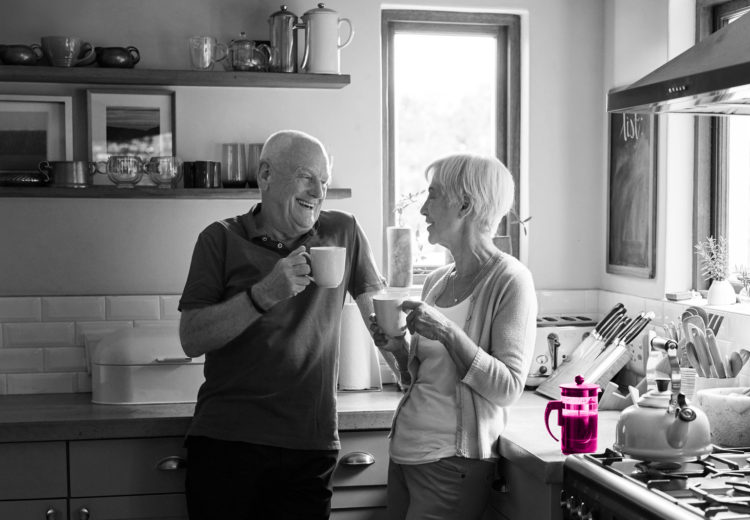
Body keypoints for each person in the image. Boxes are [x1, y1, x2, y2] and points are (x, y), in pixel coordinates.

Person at [178, 129, 386, 520]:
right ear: (266, 174)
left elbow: (379, 314)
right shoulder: (220, 239)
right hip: (227, 442)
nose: (318, 192)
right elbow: (191, 338)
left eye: (324, 182)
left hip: (310, 443)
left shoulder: (344, 232)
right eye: (307, 177)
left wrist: (401, 340)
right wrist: (264, 294)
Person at [372, 153, 537, 520]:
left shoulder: (510, 280)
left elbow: (508, 387)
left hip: (451, 464)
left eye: (433, 196)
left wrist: (448, 332)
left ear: (464, 204)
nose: (423, 209)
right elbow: (418, 381)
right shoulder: (436, 281)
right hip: (405, 454)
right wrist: (396, 348)